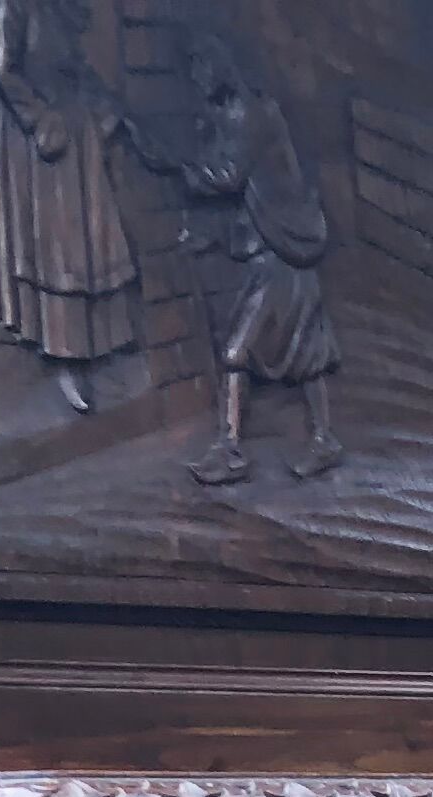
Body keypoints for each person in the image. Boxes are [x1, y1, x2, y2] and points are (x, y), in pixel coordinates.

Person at [169, 36, 343, 484]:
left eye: (201, 68)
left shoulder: (249, 115)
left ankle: (230, 447)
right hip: (273, 251)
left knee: (238, 350)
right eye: (191, 70)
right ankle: (323, 438)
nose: (195, 79)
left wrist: (181, 167)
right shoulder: (237, 115)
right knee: (307, 347)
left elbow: (226, 177)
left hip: (282, 251)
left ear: (223, 66)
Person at [0, 0, 139, 408]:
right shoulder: (13, 6)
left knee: (93, 236)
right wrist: (41, 121)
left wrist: (104, 106)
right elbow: (3, 70)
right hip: (37, 140)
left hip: (74, 129)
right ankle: (65, 357)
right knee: (59, 247)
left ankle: (99, 345)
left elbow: (73, 66)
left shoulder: (64, 10)